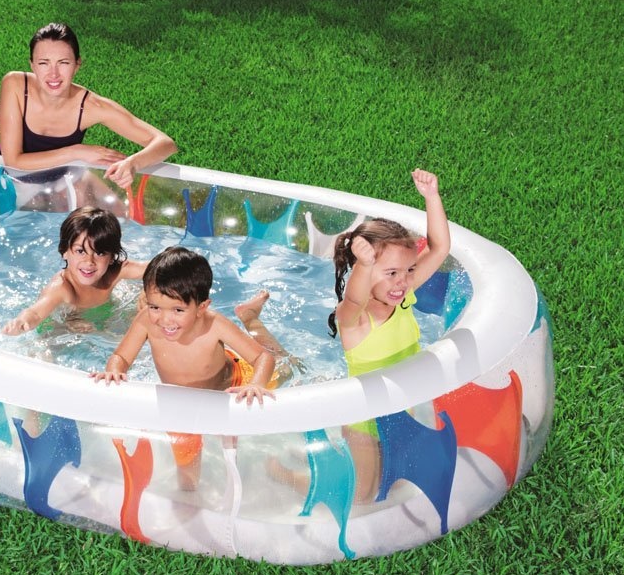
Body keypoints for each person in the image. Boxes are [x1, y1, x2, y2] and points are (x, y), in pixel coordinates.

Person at [270, 169, 451, 502]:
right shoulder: (355, 320)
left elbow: (439, 249)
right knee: (362, 494)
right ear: (363, 272)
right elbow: (353, 299)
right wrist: (364, 266)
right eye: (391, 273)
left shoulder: (404, 297)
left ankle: (322, 464)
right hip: (363, 420)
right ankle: (287, 476)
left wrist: (432, 197)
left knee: (393, 479)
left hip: (401, 409)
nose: (402, 281)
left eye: (408, 270)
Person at [90, 246, 292, 406]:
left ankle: (250, 317)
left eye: (178, 310)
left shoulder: (214, 324)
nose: (165, 320)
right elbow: (121, 357)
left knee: (287, 366)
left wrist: (256, 384)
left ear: (201, 308)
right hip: (187, 399)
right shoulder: (146, 320)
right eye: (155, 307)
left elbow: (263, 357)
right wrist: (114, 370)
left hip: (237, 382)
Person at [0, 22, 177, 191]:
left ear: (77, 65)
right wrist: (76, 152)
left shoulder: (91, 106)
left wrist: (132, 163)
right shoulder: (15, 85)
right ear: (32, 65)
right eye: (44, 63)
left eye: (63, 63)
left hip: (59, 182)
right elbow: (13, 161)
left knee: (115, 210)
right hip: (6, 180)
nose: (53, 74)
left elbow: (165, 144)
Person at [2, 206, 146, 335]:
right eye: (80, 251)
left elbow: (156, 268)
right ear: (65, 251)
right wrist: (22, 323)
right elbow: (36, 313)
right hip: (59, 326)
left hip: (100, 317)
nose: (89, 261)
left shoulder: (114, 272)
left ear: (111, 257)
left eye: (100, 253)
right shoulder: (61, 288)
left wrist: (147, 290)